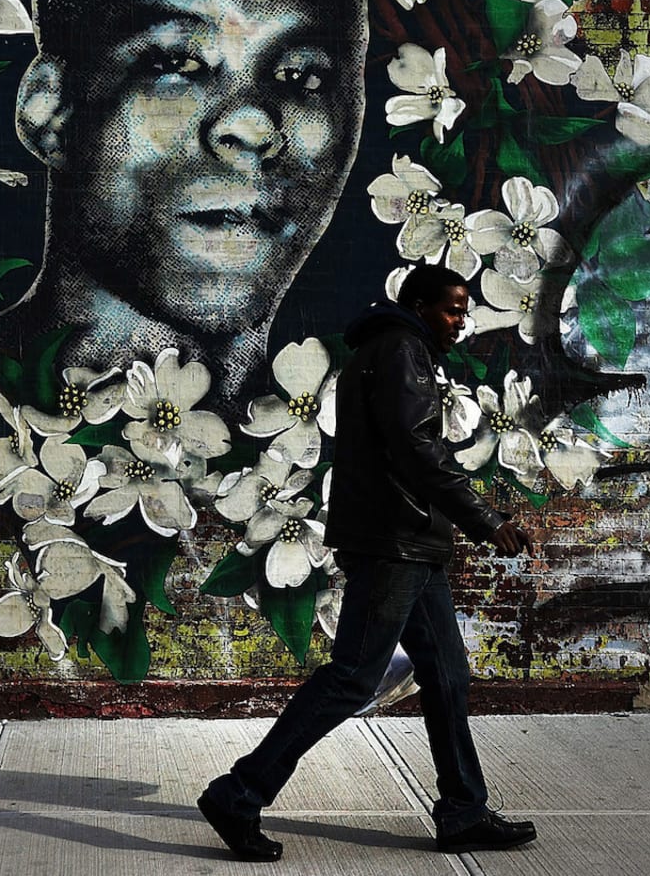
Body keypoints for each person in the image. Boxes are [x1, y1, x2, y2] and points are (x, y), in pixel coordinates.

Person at [0, 0, 372, 409]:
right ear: (51, 109)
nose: (254, 124)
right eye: (176, 65)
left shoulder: (375, 446)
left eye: (302, 75)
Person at [199, 263, 540, 861]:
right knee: (354, 675)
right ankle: (240, 792)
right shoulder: (401, 350)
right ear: (417, 304)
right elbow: (417, 450)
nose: (462, 321)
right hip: (395, 542)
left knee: (446, 674)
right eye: (452, 309)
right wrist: (485, 521)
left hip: (413, 544)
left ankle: (463, 810)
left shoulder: (391, 349)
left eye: (464, 310)